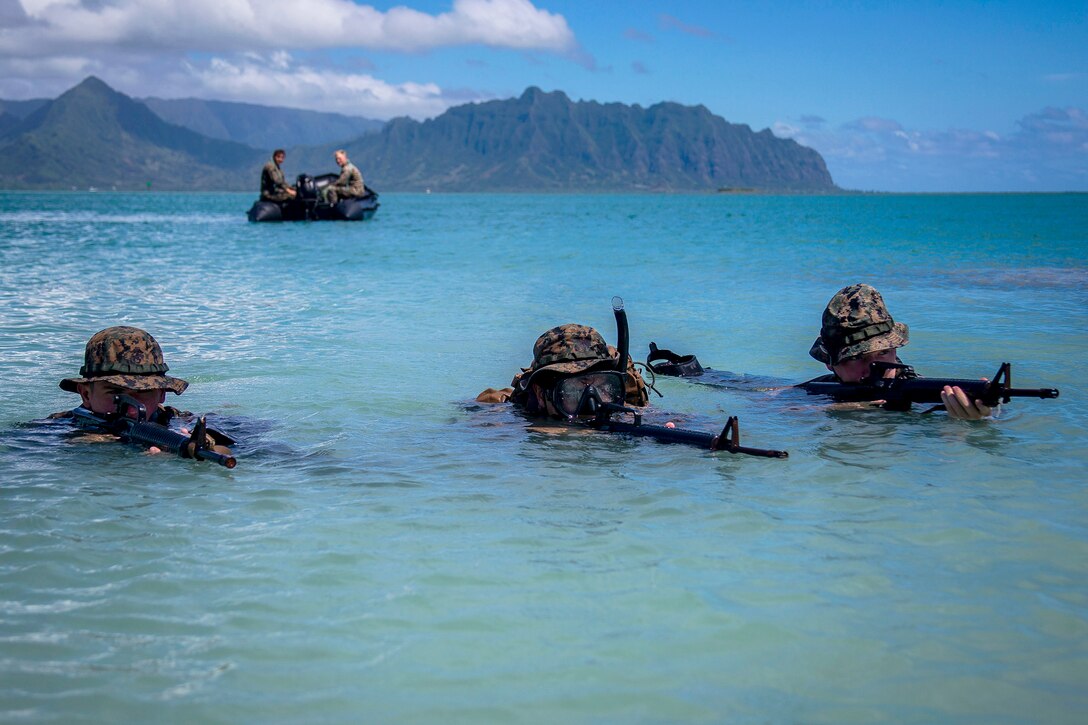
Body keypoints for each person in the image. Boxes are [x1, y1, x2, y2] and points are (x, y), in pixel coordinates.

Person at [805, 283, 992, 420]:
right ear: (829, 362)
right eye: (857, 357)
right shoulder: (820, 392)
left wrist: (974, 419)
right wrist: (852, 407)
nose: (873, 368)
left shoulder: (921, 394)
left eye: (883, 352)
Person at [51, 326, 233, 453]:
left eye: (143, 392)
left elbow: (244, 453)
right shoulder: (56, 429)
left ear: (162, 393)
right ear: (86, 394)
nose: (131, 409)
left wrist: (198, 447)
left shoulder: (179, 422)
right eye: (115, 394)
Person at [477, 323, 649, 417]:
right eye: (573, 391)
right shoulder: (510, 421)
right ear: (540, 394)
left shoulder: (622, 412)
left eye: (603, 388)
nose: (592, 404)